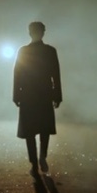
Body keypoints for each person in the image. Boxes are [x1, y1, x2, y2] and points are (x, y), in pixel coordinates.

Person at [13, 21, 62, 177]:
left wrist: (16, 95)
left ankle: (34, 162)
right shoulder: (50, 51)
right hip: (44, 94)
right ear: (43, 32)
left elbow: (17, 74)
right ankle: (42, 157)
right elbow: (56, 75)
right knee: (44, 129)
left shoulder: (23, 51)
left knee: (30, 131)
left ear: (30, 33)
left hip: (28, 95)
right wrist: (57, 95)